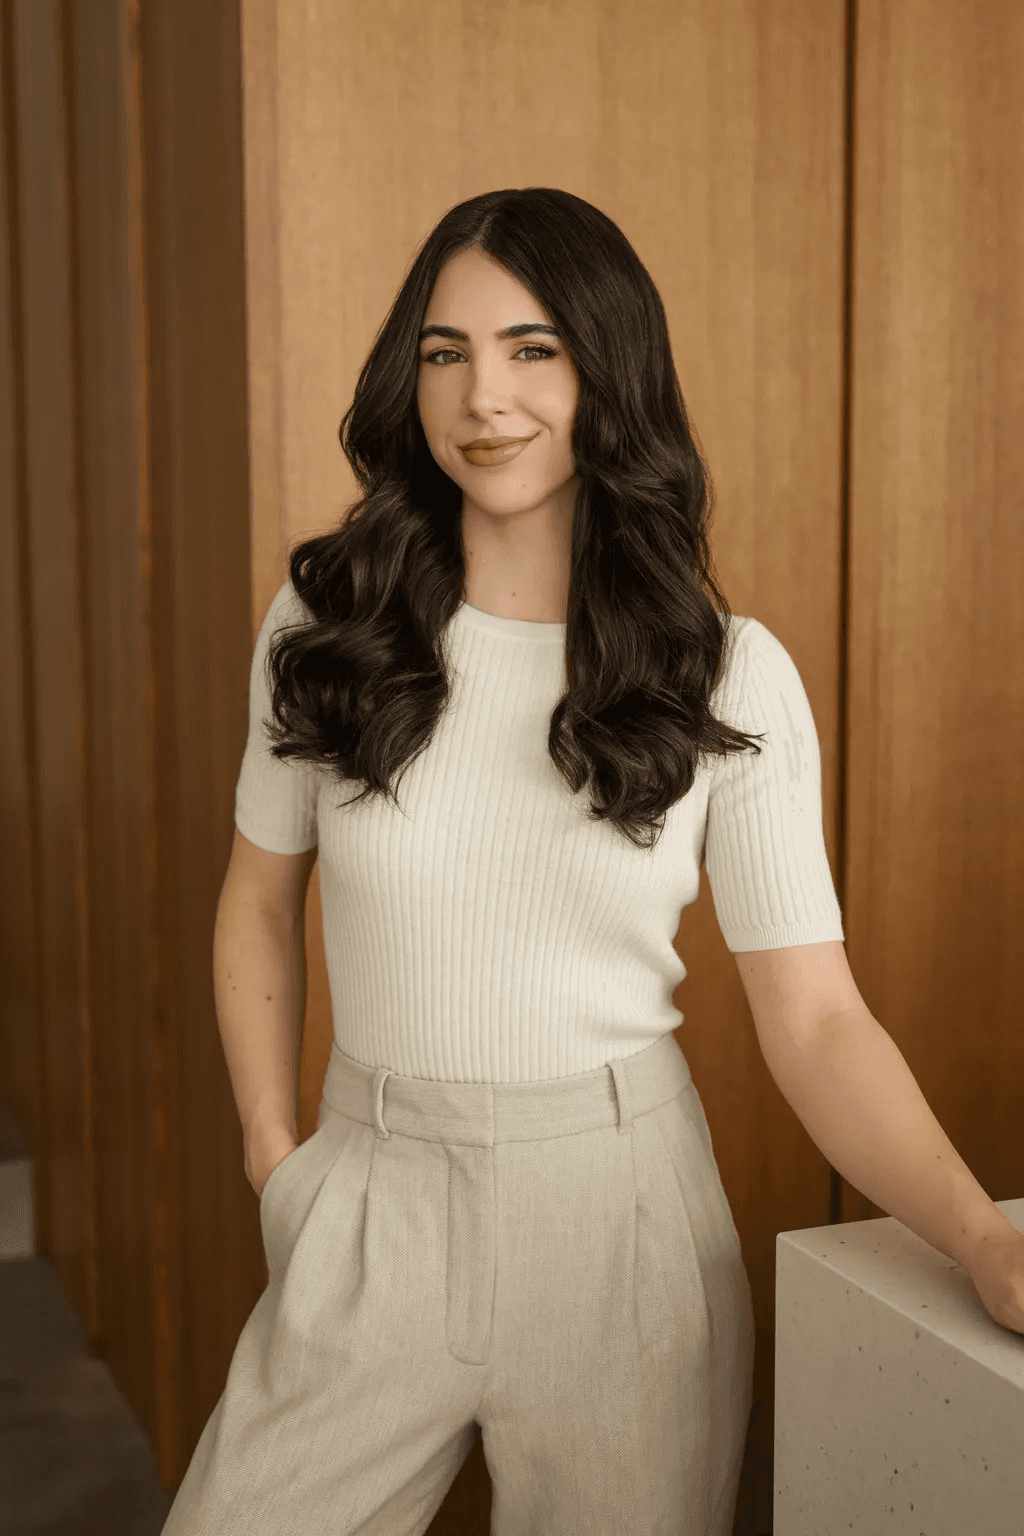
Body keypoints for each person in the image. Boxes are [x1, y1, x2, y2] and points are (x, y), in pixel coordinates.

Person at [162, 187, 845, 1536]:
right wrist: (275, 1155)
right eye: (445, 351)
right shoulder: (330, 618)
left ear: (610, 369)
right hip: (369, 1189)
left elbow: (818, 1017)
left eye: (534, 350)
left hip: (625, 1224)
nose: (485, 396)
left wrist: (984, 1235)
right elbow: (256, 899)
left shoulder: (726, 672)